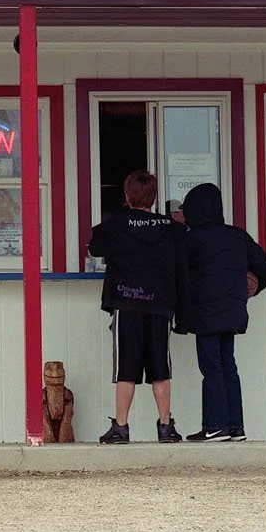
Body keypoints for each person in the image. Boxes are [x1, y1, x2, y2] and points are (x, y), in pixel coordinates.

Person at [89, 169, 190, 443]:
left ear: (127, 196)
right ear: (154, 198)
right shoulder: (173, 230)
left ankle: (121, 427)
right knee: (160, 368)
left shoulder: (116, 224)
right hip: (160, 306)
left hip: (127, 303)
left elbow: (94, 247)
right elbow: (183, 269)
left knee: (126, 369)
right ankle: (166, 427)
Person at [178, 181, 266, 441]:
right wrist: (253, 288)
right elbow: (264, 265)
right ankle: (235, 426)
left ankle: (215, 425)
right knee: (228, 365)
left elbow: (178, 274)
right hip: (233, 311)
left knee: (212, 368)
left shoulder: (191, 239)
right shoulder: (237, 235)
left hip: (206, 312)